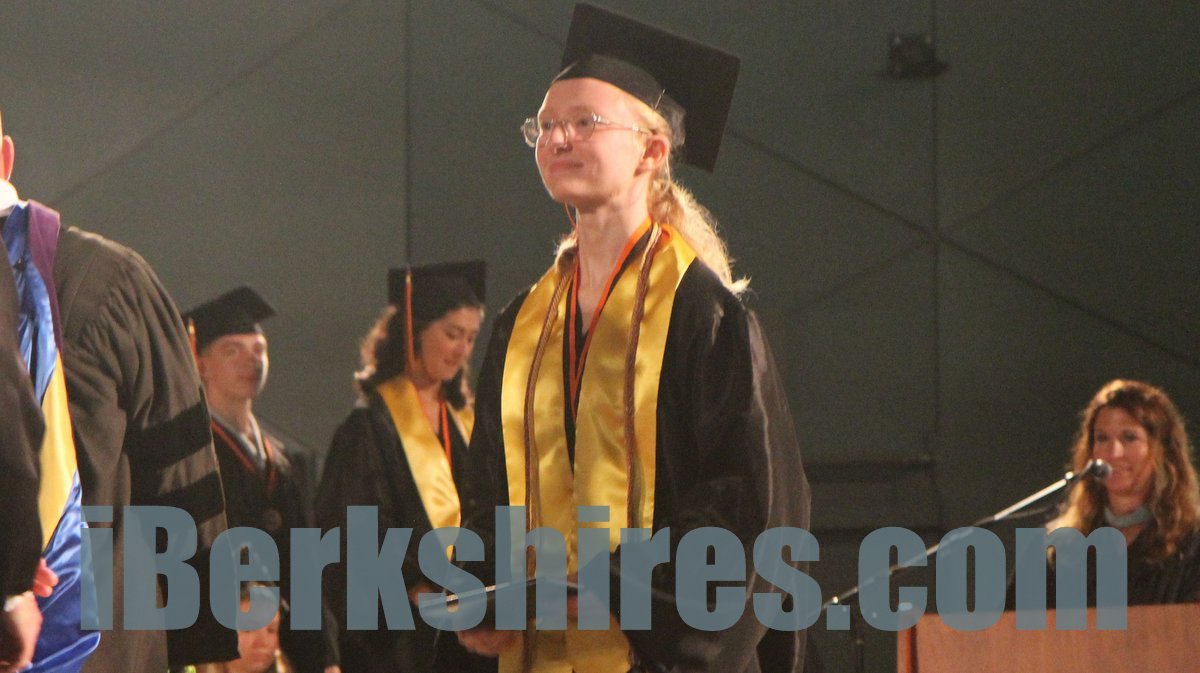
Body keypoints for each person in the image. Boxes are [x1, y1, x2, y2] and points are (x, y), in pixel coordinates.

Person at [449, 4, 809, 672]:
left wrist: (618, 588)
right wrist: (480, 592)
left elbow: (746, 505)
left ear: (652, 150)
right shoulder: (522, 323)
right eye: (545, 126)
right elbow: (487, 491)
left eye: (585, 121)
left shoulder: (704, 314)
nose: (557, 138)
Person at [1, 107, 240, 672]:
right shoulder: (115, 280)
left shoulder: (112, 283)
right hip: (108, 646)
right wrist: (201, 644)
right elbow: (179, 481)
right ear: (6, 157)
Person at [315, 260, 488, 673]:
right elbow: (350, 536)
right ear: (415, 329)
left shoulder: (466, 423)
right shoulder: (368, 427)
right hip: (400, 640)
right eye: (452, 334)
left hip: (470, 632)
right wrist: (416, 587)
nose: (462, 350)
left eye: (471, 338)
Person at [183, 287, 341, 673]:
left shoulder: (283, 460)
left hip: (284, 651)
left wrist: (325, 658)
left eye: (259, 349)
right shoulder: (189, 459)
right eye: (232, 350)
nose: (251, 361)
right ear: (200, 363)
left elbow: (306, 570)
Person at [1041, 379, 1200, 605]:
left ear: (1163, 451)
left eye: (1129, 438)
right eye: (1102, 438)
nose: (1113, 453)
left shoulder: (1191, 543)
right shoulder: (1060, 547)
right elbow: (1010, 622)